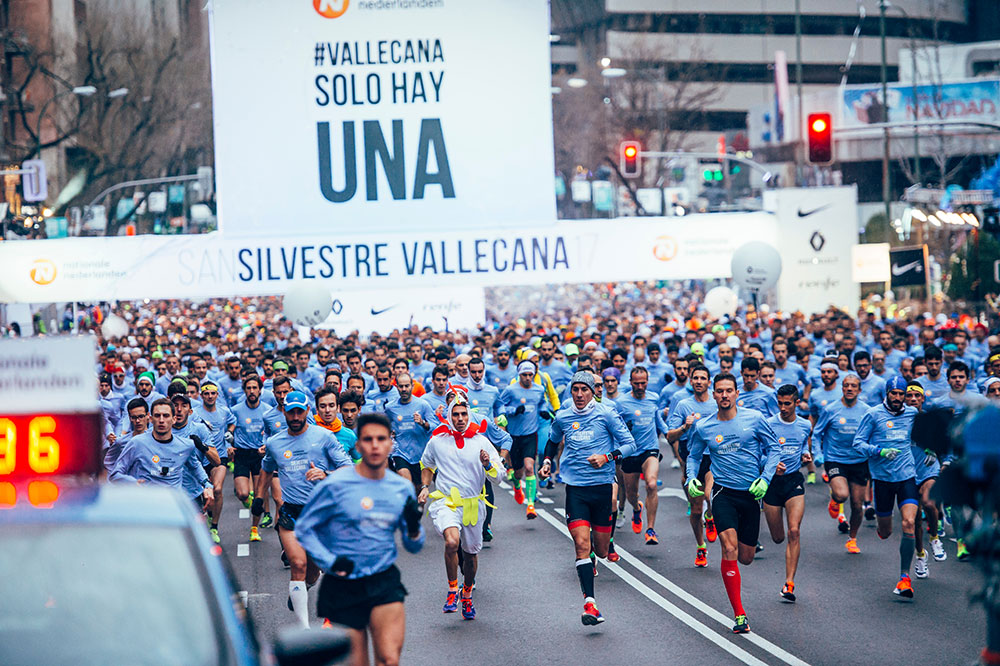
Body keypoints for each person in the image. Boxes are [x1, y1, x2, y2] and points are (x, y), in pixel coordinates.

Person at [295, 413, 424, 666]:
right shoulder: (335, 485)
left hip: (383, 580)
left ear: (390, 443)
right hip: (344, 584)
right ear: (358, 445)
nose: (375, 445)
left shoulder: (402, 488)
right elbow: (305, 529)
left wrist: (413, 526)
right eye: (368, 439)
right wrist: (331, 561)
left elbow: (413, 545)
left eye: (381, 439)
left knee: (388, 659)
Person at [686, 373, 781, 634]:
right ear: (714, 394)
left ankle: (739, 599)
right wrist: (690, 478)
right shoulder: (704, 426)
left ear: (737, 393)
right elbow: (693, 456)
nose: (724, 395)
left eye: (729, 390)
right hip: (723, 494)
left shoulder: (755, 419)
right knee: (729, 549)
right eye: (720, 391)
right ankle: (740, 615)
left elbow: (774, 448)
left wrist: (765, 478)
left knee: (746, 557)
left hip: (750, 494)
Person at [538, 371, 636, 625]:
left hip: (602, 487)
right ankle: (590, 604)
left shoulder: (606, 414)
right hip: (576, 489)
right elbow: (552, 442)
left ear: (593, 392)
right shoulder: (563, 416)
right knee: (582, 546)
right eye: (575, 390)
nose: (579, 395)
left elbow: (630, 444)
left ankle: (597, 547)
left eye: (584, 390)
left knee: (601, 551)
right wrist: (548, 461)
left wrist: (608, 457)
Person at [259, 391, 351, 627]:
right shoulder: (275, 442)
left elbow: (348, 468)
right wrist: (260, 498)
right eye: (292, 412)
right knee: (297, 565)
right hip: (291, 513)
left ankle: (306, 586)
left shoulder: (324, 437)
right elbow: (267, 469)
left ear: (308, 411)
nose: (296, 416)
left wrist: (326, 473)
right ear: (284, 412)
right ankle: (306, 630)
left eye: (301, 411)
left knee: (314, 570)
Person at [418, 394, 506, 620]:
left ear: (469, 415)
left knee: (470, 555)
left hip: (473, 504)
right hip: (447, 501)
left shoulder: (481, 442)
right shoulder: (437, 440)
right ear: (449, 416)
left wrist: (487, 464)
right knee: (451, 541)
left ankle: (466, 593)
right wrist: (425, 486)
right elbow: (427, 464)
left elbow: (500, 477)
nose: (460, 418)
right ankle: (451, 590)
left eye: (463, 414)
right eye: (455, 414)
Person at [852, 375, 920, 599]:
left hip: (907, 476)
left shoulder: (912, 414)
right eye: (895, 394)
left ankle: (904, 577)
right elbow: (858, 443)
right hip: (882, 479)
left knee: (909, 522)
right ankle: (883, 529)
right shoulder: (873, 415)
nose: (898, 398)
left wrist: (930, 450)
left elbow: (924, 437)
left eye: (902, 394)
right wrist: (879, 451)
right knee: (886, 531)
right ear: (887, 394)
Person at [109, 399, 215, 508]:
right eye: (157, 415)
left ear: (173, 419)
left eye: (166, 415)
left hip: (175, 507)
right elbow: (115, 474)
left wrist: (207, 485)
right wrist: (133, 483)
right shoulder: (137, 443)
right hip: (146, 507)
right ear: (150, 419)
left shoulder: (186, 445)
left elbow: (194, 466)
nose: (161, 420)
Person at [763, 385, 812, 602]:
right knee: (778, 537)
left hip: (793, 481)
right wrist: (770, 465)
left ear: (796, 403)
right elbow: (758, 454)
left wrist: (806, 455)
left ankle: (789, 583)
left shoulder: (804, 425)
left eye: (787, 403)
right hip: (772, 484)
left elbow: (803, 446)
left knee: (794, 531)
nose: (783, 408)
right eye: (780, 403)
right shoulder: (769, 424)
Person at [667, 364, 718, 567]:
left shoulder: (717, 404)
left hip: (714, 456)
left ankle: (712, 515)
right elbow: (670, 436)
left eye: (702, 378)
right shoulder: (683, 404)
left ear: (708, 382)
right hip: (693, 457)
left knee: (709, 494)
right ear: (690, 380)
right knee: (696, 509)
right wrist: (684, 427)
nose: (698, 381)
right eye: (695, 378)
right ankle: (700, 546)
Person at [813, 373, 870, 550]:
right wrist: (817, 453)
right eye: (846, 385)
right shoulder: (831, 409)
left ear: (859, 390)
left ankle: (852, 539)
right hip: (835, 459)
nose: (850, 389)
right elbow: (817, 433)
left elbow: (874, 435)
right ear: (842, 388)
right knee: (842, 494)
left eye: (854, 386)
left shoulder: (867, 410)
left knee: (857, 505)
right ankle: (835, 498)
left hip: (859, 461)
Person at [615, 366, 668, 545]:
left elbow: (658, 420)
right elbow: (615, 426)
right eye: (636, 383)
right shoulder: (621, 403)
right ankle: (636, 509)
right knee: (631, 493)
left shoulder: (654, 398)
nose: (640, 386)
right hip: (630, 451)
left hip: (649, 449)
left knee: (651, 484)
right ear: (630, 382)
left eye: (643, 383)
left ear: (647, 381)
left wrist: (670, 433)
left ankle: (651, 529)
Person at [903, 382, 947, 575]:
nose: (913, 399)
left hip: (928, 468)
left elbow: (945, 441)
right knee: (913, 522)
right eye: (909, 396)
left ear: (923, 399)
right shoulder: (899, 420)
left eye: (917, 396)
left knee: (929, 503)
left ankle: (935, 537)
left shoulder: (930, 419)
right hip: (906, 473)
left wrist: (937, 453)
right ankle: (921, 555)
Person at [498, 360, 549, 519]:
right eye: (524, 375)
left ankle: (531, 505)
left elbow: (542, 403)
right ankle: (517, 486)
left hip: (530, 434)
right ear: (519, 375)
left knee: (529, 467)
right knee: (518, 473)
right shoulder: (511, 390)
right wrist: (513, 410)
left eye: (530, 375)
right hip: (514, 436)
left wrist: (544, 411)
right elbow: (499, 406)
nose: (527, 378)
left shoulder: (539, 389)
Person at [194, 380, 237, 543]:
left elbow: (233, 422)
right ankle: (209, 514)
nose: (210, 396)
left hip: (219, 456)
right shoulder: (195, 413)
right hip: (200, 457)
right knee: (204, 493)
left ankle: (214, 527)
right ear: (201, 395)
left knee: (217, 489)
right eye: (206, 393)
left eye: (213, 393)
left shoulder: (224, 411)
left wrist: (229, 434)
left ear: (217, 395)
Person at [229, 375, 269, 543]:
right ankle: (248, 501)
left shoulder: (267, 410)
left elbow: (271, 432)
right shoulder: (236, 410)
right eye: (248, 388)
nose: (252, 391)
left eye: (254, 388)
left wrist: (266, 445)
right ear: (244, 391)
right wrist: (229, 445)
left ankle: (254, 529)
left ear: (260, 390)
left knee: (259, 495)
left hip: (259, 455)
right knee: (242, 493)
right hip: (242, 454)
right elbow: (228, 430)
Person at [384, 373, 435, 488]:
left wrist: (422, 423)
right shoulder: (390, 407)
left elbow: (434, 426)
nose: (404, 389)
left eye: (407, 386)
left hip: (419, 454)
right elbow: (384, 425)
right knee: (407, 484)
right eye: (401, 386)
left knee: (417, 489)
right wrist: (388, 432)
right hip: (400, 452)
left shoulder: (423, 405)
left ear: (412, 386)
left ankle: (416, 506)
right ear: (397, 387)